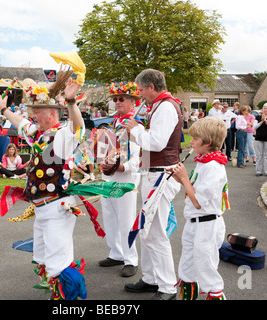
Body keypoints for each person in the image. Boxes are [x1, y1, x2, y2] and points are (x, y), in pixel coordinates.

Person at [0, 77, 86, 300]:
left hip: (57, 207)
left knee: (59, 264)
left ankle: (70, 300)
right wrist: (4, 110)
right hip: (42, 209)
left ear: (51, 113)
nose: (32, 115)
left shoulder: (62, 136)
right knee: (44, 258)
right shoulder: (38, 134)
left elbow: (78, 127)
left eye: (36, 110)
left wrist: (71, 101)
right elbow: (20, 123)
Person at [123, 69, 182, 300]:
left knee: (156, 233)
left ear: (151, 86)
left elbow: (157, 143)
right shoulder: (159, 106)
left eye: (140, 90)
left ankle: (167, 287)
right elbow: (154, 143)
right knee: (146, 232)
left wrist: (135, 129)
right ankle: (151, 278)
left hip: (159, 176)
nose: (139, 95)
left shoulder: (166, 106)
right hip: (152, 173)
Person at [169, 116, 228, 300]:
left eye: (195, 139)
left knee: (207, 270)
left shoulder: (213, 166)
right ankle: (188, 296)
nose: (191, 142)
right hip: (194, 223)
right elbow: (193, 191)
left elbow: (199, 202)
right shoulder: (204, 162)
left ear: (208, 142)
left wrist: (185, 178)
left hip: (207, 224)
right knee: (187, 267)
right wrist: (179, 178)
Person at [97, 81, 141, 278]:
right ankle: (116, 252)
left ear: (132, 101)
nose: (117, 102)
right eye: (115, 99)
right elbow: (106, 148)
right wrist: (102, 161)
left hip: (126, 177)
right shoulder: (113, 123)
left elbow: (139, 156)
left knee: (126, 219)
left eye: (121, 98)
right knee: (110, 216)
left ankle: (130, 259)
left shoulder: (136, 124)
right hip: (109, 176)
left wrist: (123, 167)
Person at [253, 103, 267, 177]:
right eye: (264, 108)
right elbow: (255, 127)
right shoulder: (258, 117)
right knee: (259, 155)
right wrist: (261, 121)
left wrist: (265, 120)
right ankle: (258, 171)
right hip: (259, 138)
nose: (265, 110)